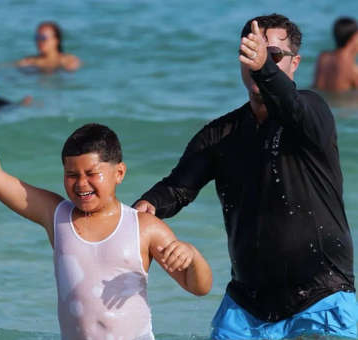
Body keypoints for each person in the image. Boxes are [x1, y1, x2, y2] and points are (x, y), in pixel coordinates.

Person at [134, 14, 357, 339]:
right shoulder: (221, 134)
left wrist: (264, 68)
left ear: (295, 63)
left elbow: (290, 104)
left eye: (273, 56)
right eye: (251, 54)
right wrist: (147, 205)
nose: (259, 63)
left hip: (323, 297)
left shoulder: (313, 114)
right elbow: (177, 188)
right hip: (248, 307)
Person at [0, 69, 212, 339]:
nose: (81, 184)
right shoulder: (56, 216)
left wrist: (193, 257)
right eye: (72, 175)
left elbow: (199, 287)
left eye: (91, 174)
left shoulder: (144, 228)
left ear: (119, 173)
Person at [313, 17, 358, 92]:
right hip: (342, 103)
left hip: (319, 101)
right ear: (354, 38)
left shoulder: (322, 57)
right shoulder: (352, 69)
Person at [17, 21, 81, 73]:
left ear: (56, 40)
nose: (39, 41)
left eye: (43, 38)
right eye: (37, 38)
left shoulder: (68, 60)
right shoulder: (29, 61)